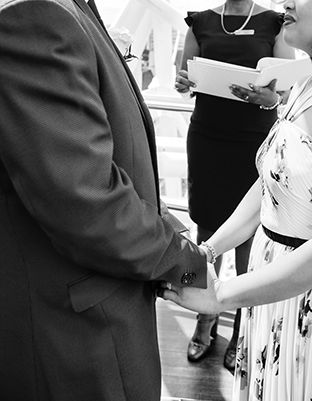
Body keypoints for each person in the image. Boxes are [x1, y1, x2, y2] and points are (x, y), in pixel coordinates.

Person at [163, 0, 312, 399]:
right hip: (270, 284)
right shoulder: (308, 85)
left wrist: (220, 295)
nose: (287, 1)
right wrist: (209, 250)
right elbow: (269, 185)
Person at [0, 1, 208, 401]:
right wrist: (188, 267)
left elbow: (120, 162)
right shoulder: (37, 16)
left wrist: (176, 238)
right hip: (80, 333)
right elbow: (87, 203)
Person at [174, 0, 294, 371]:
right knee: (206, 228)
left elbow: (286, 92)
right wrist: (183, 83)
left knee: (249, 238)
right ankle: (205, 317)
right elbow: (184, 79)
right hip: (208, 138)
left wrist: (271, 99)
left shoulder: (275, 24)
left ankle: (243, 325)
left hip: (254, 142)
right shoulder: (200, 22)